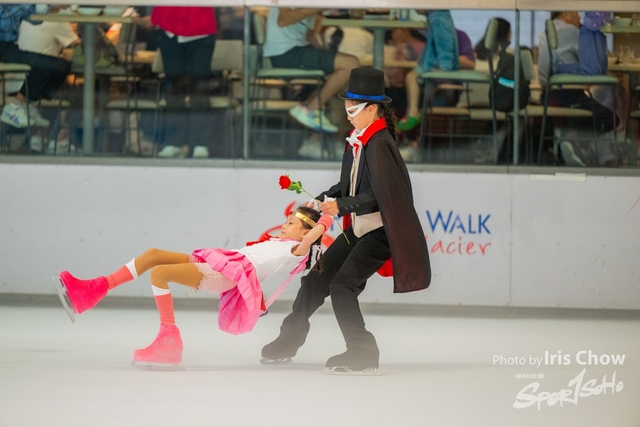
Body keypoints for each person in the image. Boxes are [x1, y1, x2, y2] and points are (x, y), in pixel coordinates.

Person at [261, 68, 431, 375]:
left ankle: (363, 351)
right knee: (315, 281)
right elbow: (348, 185)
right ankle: (288, 341)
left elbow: (384, 195)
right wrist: (322, 200)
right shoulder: (360, 141)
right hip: (359, 229)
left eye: (353, 110)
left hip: (379, 232)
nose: (348, 115)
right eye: (346, 108)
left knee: (342, 285)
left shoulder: (379, 144)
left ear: (372, 109)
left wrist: (341, 206)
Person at [54, 206, 333, 367]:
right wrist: (316, 207)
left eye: (290, 223)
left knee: (160, 274)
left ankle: (168, 341)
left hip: (227, 273)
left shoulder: (296, 251)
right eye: (285, 221)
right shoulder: (281, 243)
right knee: (153, 255)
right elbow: (305, 231)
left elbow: (313, 237)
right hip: (223, 263)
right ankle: (93, 291)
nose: (283, 226)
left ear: (306, 232)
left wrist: (327, 218)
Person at [538, 11, 619, 166]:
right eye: (576, 13)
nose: (579, 18)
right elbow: (592, 60)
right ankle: (572, 140)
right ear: (566, 14)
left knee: (596, 106)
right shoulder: (572, 31)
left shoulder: (545, 32)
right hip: (568, 95)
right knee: (609, 117)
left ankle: (573, 145)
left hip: (547, 95)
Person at [263, 7, 359, 133]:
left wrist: (325, 54)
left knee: (345, 70)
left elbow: (309, 35)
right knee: (350, 64)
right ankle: (311, 109)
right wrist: (315, 7)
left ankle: (308, 108)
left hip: (297, 48)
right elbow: (283, 20)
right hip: (285, 53)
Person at [139, 7, 217, 159]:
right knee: (173, 90)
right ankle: (174, 141)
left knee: (199, 90)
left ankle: (200, 142)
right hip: (170, 30)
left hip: (201, 30)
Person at [17, 9, 80, 153]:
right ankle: (62, 138)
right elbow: (77, 44)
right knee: (83, 94)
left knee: (53, 93)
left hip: (16, 83)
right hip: (37, 84)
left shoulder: (24, 17)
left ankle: (39, 137)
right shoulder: (57, 20)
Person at [396, 10, 460, 132]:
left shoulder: (438, 20)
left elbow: (444, 43)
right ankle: (412, 113)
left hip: (440, 65)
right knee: (411, 77)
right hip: (436, 64)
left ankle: (413, 113)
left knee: (412, 77)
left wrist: (445, 67)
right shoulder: (438, 18)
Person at [0, 4, 60, 130]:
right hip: (4, 47)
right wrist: (33, 4)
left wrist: (47, 7)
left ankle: (27, 104)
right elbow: (4, 19)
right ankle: (15, 107)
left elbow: (35, 20)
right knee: (47, 65)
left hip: (8, 46)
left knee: (59, 65)